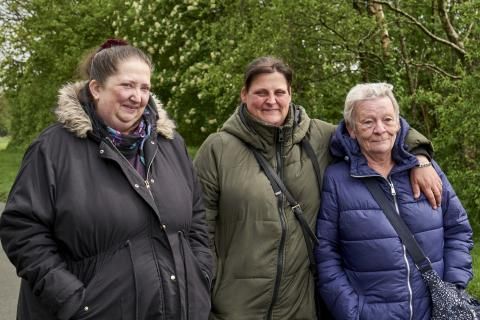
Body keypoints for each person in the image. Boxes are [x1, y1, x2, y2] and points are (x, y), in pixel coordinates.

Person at [193, 57, 442, 319]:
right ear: (244, 94)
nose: (271, 100)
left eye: (279, 92)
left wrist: (419, 155)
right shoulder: (218, 149)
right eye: (261, 93)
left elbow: (377, 127)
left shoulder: (319, 137)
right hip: (234, 306)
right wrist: (206, 290)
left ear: (290, 93)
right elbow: (198, 227)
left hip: (303, 306)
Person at [0, 39, 213, 320]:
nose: (137, 96)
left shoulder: (170, 145)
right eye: (126, 85)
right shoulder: (53, 148)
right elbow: (23, 231)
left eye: (145, 87)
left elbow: (196, 219)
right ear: (96, 88)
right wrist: (72, 301)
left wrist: (201, 274)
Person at [314, 83, 473, 319]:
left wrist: (453, 287)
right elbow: (326, 254)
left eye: (388, 119)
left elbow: (458, 230)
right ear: (352, 129)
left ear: (398, 123)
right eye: (368, 122)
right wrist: (353, 312)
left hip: (434, 312)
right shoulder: (337, 179)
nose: (380, 129)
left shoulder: (428, 170)